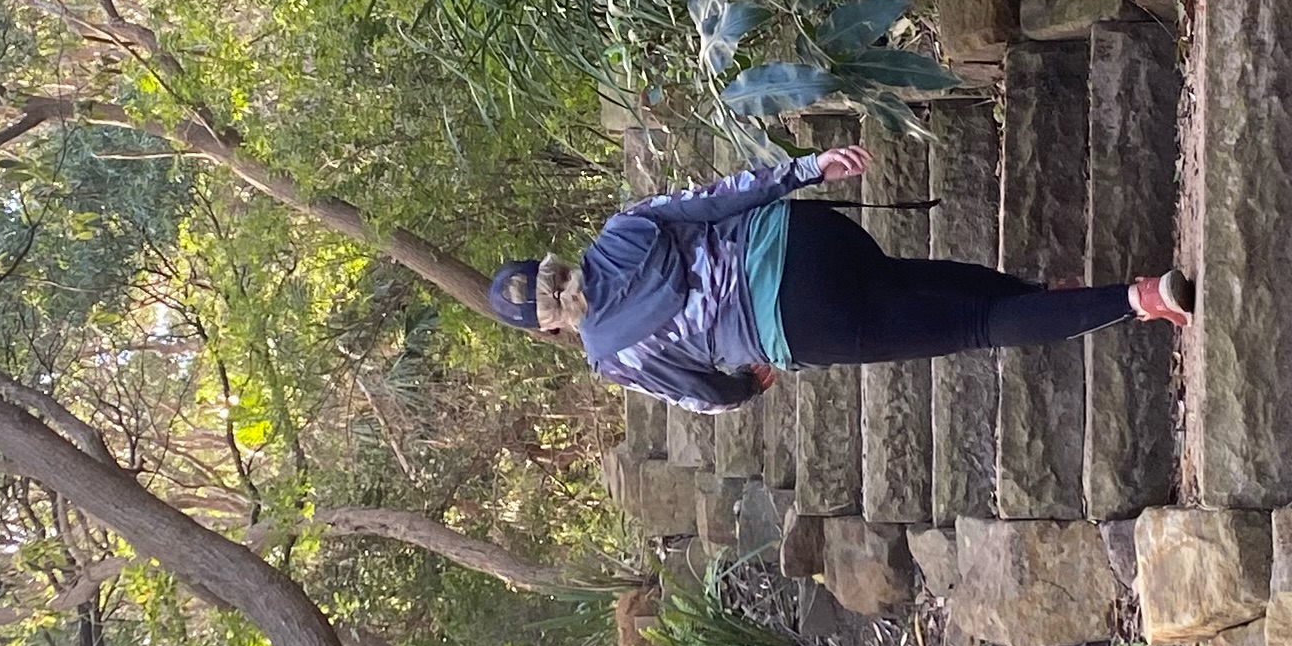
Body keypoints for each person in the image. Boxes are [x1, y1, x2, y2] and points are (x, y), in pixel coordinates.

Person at [483, 144, 1193, 412]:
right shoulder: (621, 228)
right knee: (914, 279)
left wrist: (746, 385)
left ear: (547, 323)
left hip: (796, 324)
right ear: (554, 264)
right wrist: (808, 168)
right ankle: (1048, 300)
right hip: (805, 238)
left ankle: (1142, 298)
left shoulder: (613, 357)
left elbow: (701, 396)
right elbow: (718, 197)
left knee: (971, 327)